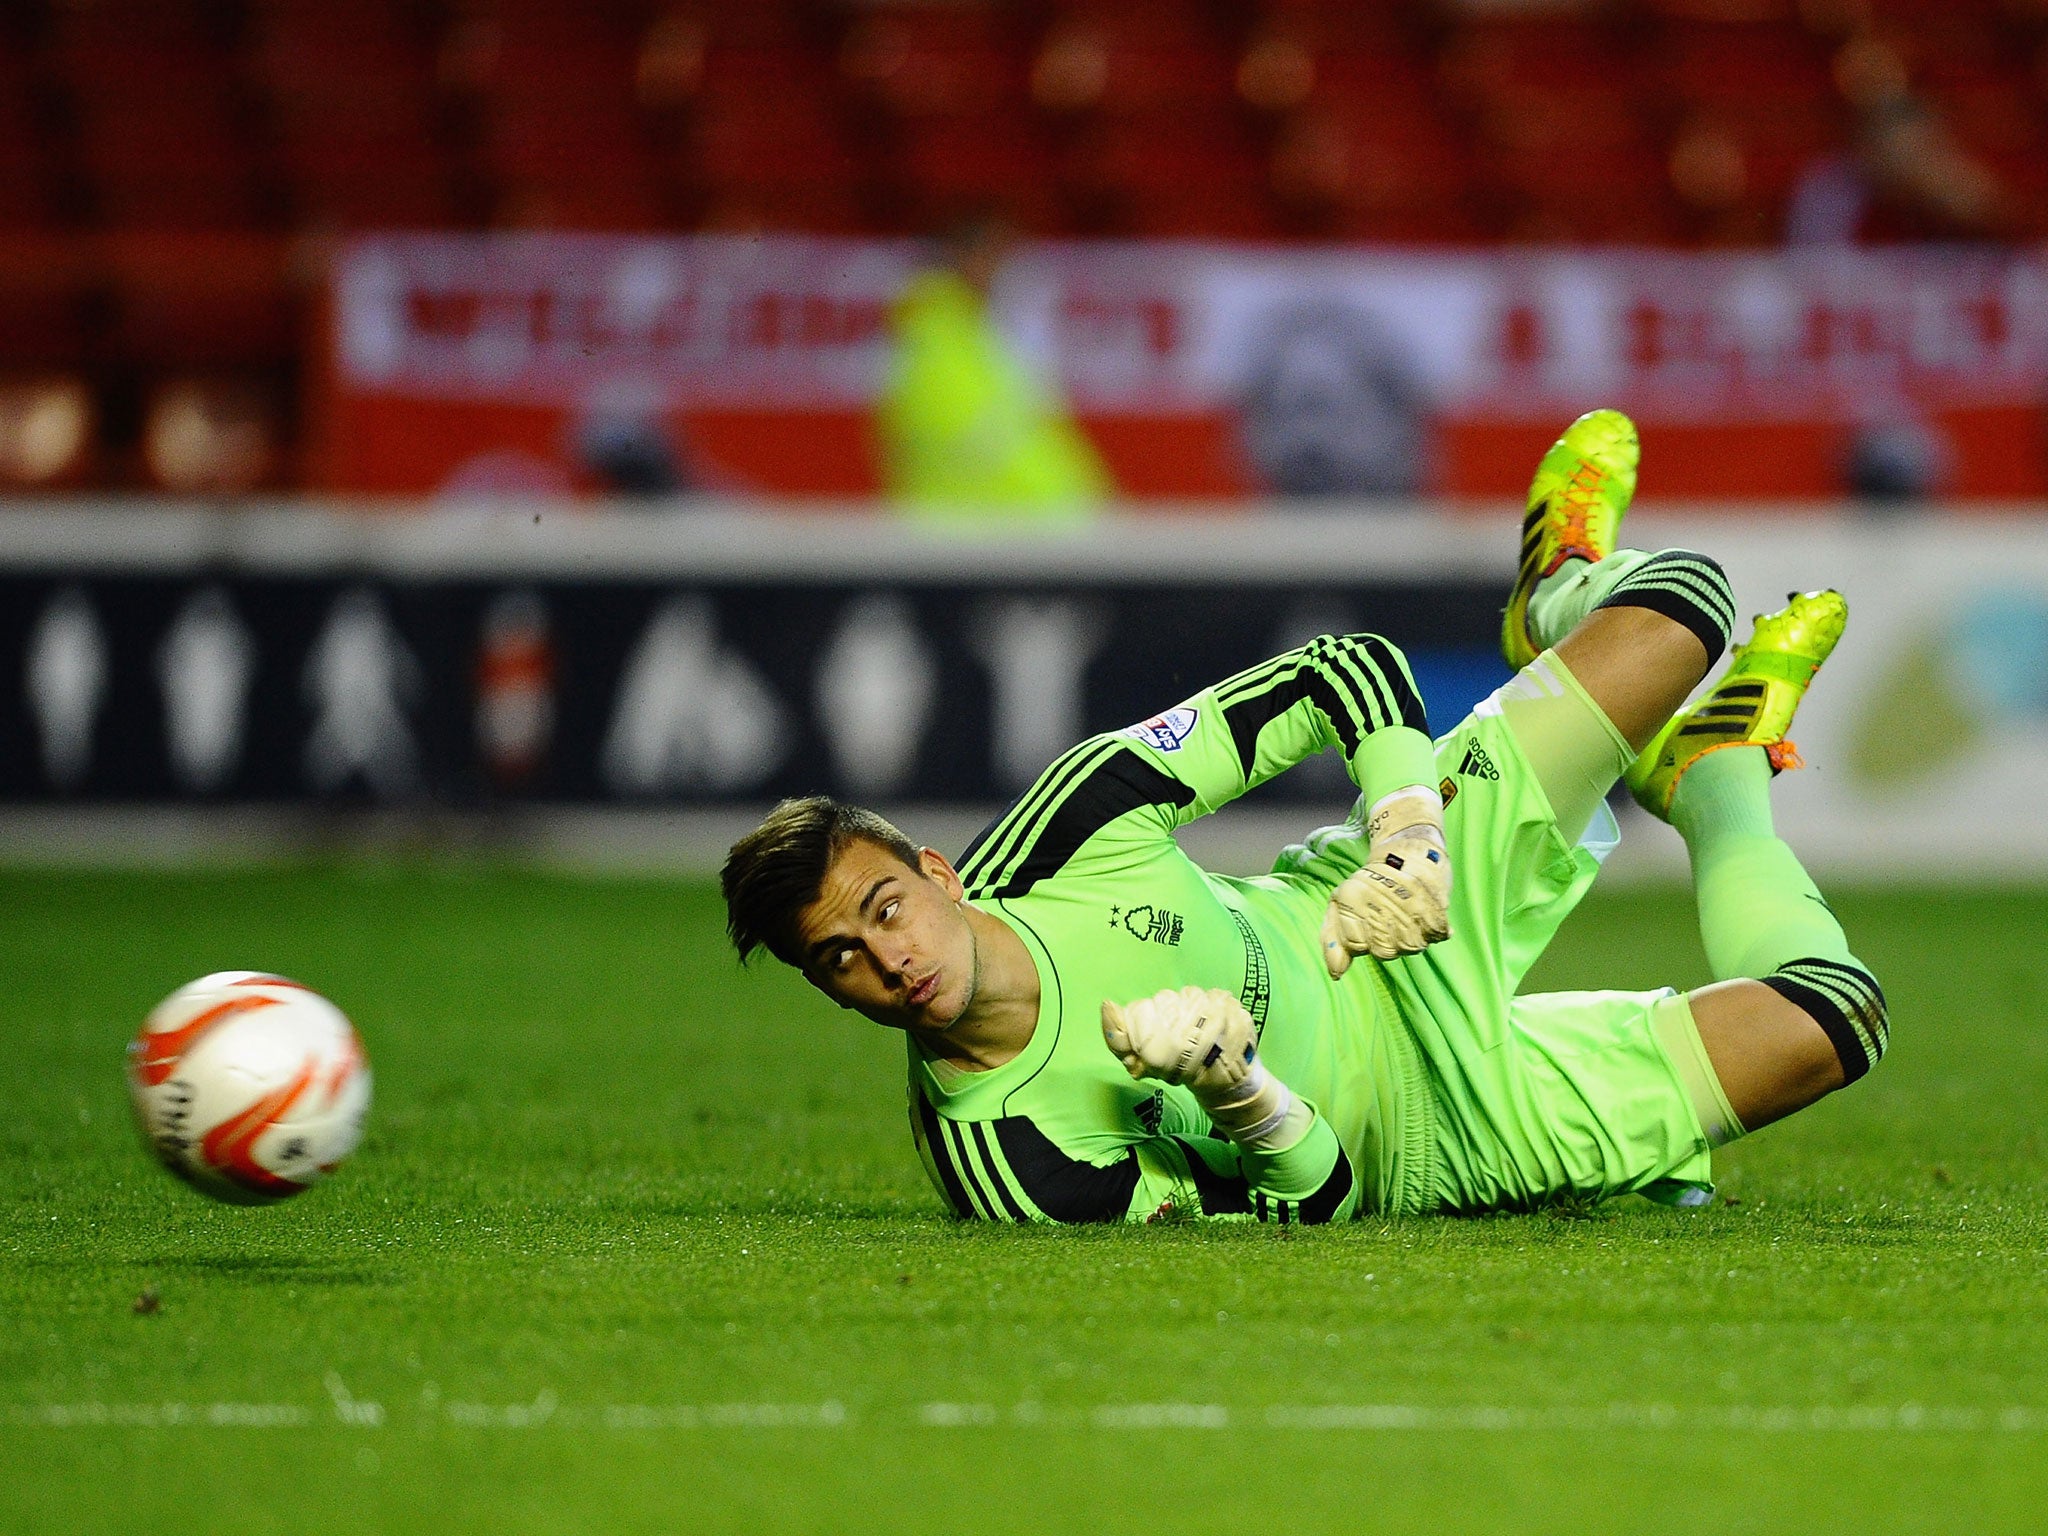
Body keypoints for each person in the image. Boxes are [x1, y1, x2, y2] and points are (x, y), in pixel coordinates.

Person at [720, 411, 1887, 1222]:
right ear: (826, 990)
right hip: (1444, 1135)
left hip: (1368, 905)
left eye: (884, 908)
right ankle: (1718, 778)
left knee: (1682, 598)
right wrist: (1236, 1085)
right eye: (842, 960)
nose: (890, 959)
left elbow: (1344, 668)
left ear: (937, 870)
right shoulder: (1012, 1164)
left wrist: (1404, 835)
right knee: (1837, 1021)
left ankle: (1547, 597)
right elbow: (1316, 1202)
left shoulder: (1064, 830)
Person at [876, 214, 1113, 518]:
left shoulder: (973, 338)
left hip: (1005, 543)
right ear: (971, 259)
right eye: (1003, 257)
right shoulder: (931, 347)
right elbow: (994, 456)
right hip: (972, 548)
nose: (1014, 270)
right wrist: (1080, 522)